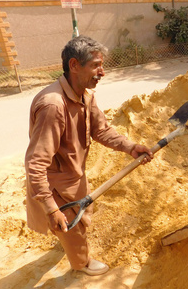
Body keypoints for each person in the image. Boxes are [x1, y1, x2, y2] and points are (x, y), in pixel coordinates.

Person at [25, 35, 153, 276]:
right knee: (76, 231)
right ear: (74, 65)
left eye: (101, 65)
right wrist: (51, 208)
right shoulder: (53, 105)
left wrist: (130, 147)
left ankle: (63, 235)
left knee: (80, 220)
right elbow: (35, 163)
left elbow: (101, 130)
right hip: (56, 185)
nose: (102, 72)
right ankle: (81, 265)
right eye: (95, 65)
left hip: (75, 174)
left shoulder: (86, 95)